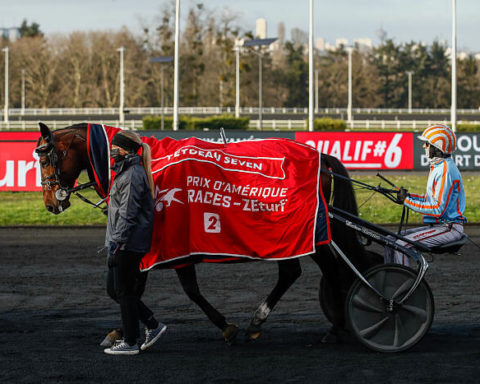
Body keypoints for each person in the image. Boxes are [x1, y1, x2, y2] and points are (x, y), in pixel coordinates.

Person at [103, 130, 166, 356]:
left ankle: (130, 341)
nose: (111, 152)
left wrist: (117, 243)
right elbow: (124, 208)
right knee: (115, 289)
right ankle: (152, 324)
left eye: (114, 147)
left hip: (127, 243)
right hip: (125, 241)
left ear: (123, 150)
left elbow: (129, 214)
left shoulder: (132, 175)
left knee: (124, 291)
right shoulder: (128, 172)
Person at [385, 124, 467, 267]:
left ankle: (405, 285)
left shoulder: (446, 171)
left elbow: (437, 209)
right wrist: (408, 197)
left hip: (448, 228)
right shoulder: (438, 167)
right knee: (389, 240)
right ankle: (390, 280)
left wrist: (407, 201)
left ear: (437, 147)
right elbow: (431, 199)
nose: (424, 146)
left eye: (427, 144)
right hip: (438, 226)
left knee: (401, 245)